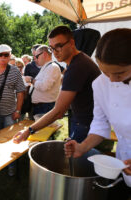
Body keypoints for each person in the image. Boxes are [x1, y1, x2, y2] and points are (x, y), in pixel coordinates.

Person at [65, 28, 131, 200]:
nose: (111, 80)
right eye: (105, 72)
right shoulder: (100, 84)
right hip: (123, 159)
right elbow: (101, 123)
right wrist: (82, 147)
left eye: (119, 73)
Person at [13, 26, 101, 144]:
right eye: (52, 48)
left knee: (78, 160)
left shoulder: (77, 67)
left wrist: (29, 130)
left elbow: (59, 111)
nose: (55, 52)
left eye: (59, 46)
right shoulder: (77, 62)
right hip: (86, 121)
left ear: (71, 43)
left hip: (86, 123)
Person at [0, 44, 25, 177]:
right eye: (0, 54)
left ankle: (11, 166)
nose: (3, 57)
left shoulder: (14, 71)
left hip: (9, 113)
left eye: (6, 55)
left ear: (10, 56)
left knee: (10, 141)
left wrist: (18, 111)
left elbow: (20, 92)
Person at [31, 45, 62, 117]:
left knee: (44, 128)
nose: (35, 59)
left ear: (44, 54)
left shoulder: (52, 67)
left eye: (36, 56)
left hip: (45, 107)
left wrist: (31, 80)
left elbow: (44, 86)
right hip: (42, 106)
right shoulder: (47, 67)